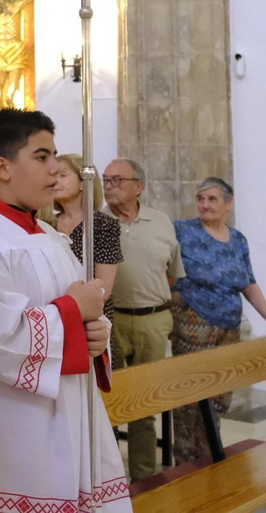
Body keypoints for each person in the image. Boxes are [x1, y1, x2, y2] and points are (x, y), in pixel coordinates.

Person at [0, 108, 127, 511]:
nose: (55, 168)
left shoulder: (50, 236)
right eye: (42, 156)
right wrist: (72, 309)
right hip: (22, 422)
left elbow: (84, 317)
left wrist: (96, 334)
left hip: (76, 409)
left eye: (54, 156)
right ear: (3, 167)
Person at [169, 177, 266, 464]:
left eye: (212, 199)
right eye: (201, 198)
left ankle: (210, 461)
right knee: (191, 400)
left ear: (229, 203)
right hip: (193, 322)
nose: (205, 205)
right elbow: (165, 270)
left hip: (228, 328)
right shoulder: (183, 231)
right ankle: (188, 466)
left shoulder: (238, 239)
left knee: (217, 399)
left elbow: (248, 283)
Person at [102, 156, 185, 481]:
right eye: (106, 180)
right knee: (109, 406)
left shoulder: (161, 221)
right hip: (112, 323)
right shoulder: (97, 221)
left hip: (153, 321)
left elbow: (173, 274)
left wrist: (148, 300)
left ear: (139, 186)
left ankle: (144, 479)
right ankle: (108, 481)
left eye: (117, 180)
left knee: (144, 406)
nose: (109, 186)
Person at [52, 153, 121, 326]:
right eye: (54, 176)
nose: (55, 181)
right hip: (53, 315)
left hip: (90, 319)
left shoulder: (103, 225)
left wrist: (68, 307)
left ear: (83, 183)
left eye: (63, 175)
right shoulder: (47, 224)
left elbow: (103, 289)